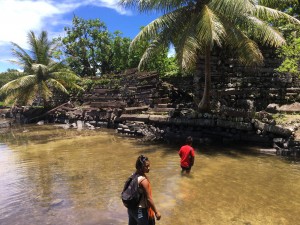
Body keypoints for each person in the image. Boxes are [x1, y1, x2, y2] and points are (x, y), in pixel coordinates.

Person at [128, 155, 161, 225]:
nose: (149, 168)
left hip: (131, 208)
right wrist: (156, 212)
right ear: (140, 167)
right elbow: (149, 199)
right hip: (140, 211)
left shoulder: (133, 175)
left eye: (149, 165)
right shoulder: (144, 181)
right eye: (146, 166)